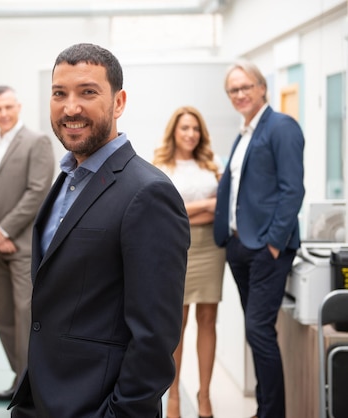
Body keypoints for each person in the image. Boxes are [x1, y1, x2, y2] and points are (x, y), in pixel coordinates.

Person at [9, 43, 190, 418]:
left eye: (88, 92)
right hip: (43, 398)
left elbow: (155, 339)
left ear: (119, 103)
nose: (70, 107)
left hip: (96, 407)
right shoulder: (66, 180)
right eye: (60, 94)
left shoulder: (147, 193)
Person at [214, 60, 305, 418]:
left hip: (266, 248)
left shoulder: (281, 127)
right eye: (233, 90)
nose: (239, 94)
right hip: (239, 245)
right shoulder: (245, 132)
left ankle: (272, 413)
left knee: (259, 329)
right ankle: (265, 408)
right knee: (257, 333)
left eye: (245, 87)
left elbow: (292, 189)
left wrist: (273, 243)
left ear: (262, 87)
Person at [0, 85, 55, 401]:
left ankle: (32, 385)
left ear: (18, 107)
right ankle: (18, 378)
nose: (4, 114)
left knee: (26, 318)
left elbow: (37, 191)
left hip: (21, 246)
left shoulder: (37, 142)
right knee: (5, 318)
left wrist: (4, 231)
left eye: (8, 107)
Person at [153, 106, 226, 418]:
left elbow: (221, 209)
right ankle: (173, 398)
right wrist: (206, 204)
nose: (190, 134)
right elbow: (166, 209)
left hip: (210, 247)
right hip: (176, 247)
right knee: (176, 325)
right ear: (174, 131)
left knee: (208, 320)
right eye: (184, 128)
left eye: (195, 129)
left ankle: (205, 395)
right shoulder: (161, 165)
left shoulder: (213, 163)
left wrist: (193, 208)